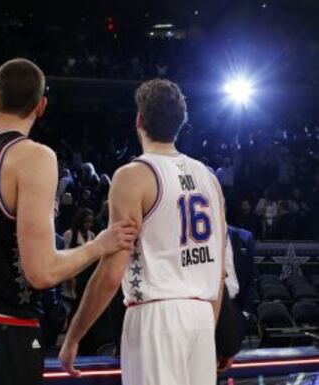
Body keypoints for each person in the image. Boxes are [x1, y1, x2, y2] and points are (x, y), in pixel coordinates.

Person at [0, 15, 137, 385]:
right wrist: (101, 244)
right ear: (41, 106)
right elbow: (42, 272)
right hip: (3, 327)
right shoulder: (33, 156)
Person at [60, 79, 226, 385]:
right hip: (202, 314)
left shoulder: (132, 176)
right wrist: (207, 330)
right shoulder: (210, 179)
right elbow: (219, 273)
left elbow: (111, 274)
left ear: (139, 119)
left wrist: (73, 336)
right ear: (180, 123)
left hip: (156, 316)